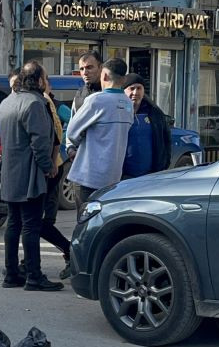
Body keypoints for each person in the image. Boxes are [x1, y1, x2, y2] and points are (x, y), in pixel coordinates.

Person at [0, 62, 64, 292]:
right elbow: (40, 143)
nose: (47, 81)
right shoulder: (35, 103)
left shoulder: (7, 102)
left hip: (10, 173)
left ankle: (12, 273)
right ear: (38, 80)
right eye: (45, 77)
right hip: (30, 175)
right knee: (31, 227)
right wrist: (49, 167)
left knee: (13, 224)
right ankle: (34, 276)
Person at [65, 58, 133, 209]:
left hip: (89, 176)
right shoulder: (128, 103)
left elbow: (71, 132)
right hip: (114, 176)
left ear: (104, 76)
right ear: (124, 79)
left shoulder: (96, 100)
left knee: (85, 223)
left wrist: (75, 144)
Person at [37, 74, 72, 279]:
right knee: (36, 223)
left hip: (52, 169)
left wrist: (64, 148)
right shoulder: (35, 104)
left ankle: (70, 251)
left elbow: (71, 125)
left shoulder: (55, 106)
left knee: (41, 222)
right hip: (43, 169)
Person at [120, 73, 173, 179]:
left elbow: (166, 139)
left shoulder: (154, 113)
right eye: (132, 88)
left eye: (139, 88)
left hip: (150, 176)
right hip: (123, 177)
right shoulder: (117, 113)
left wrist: (164, 163)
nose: (135, 92)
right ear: (124, 91)